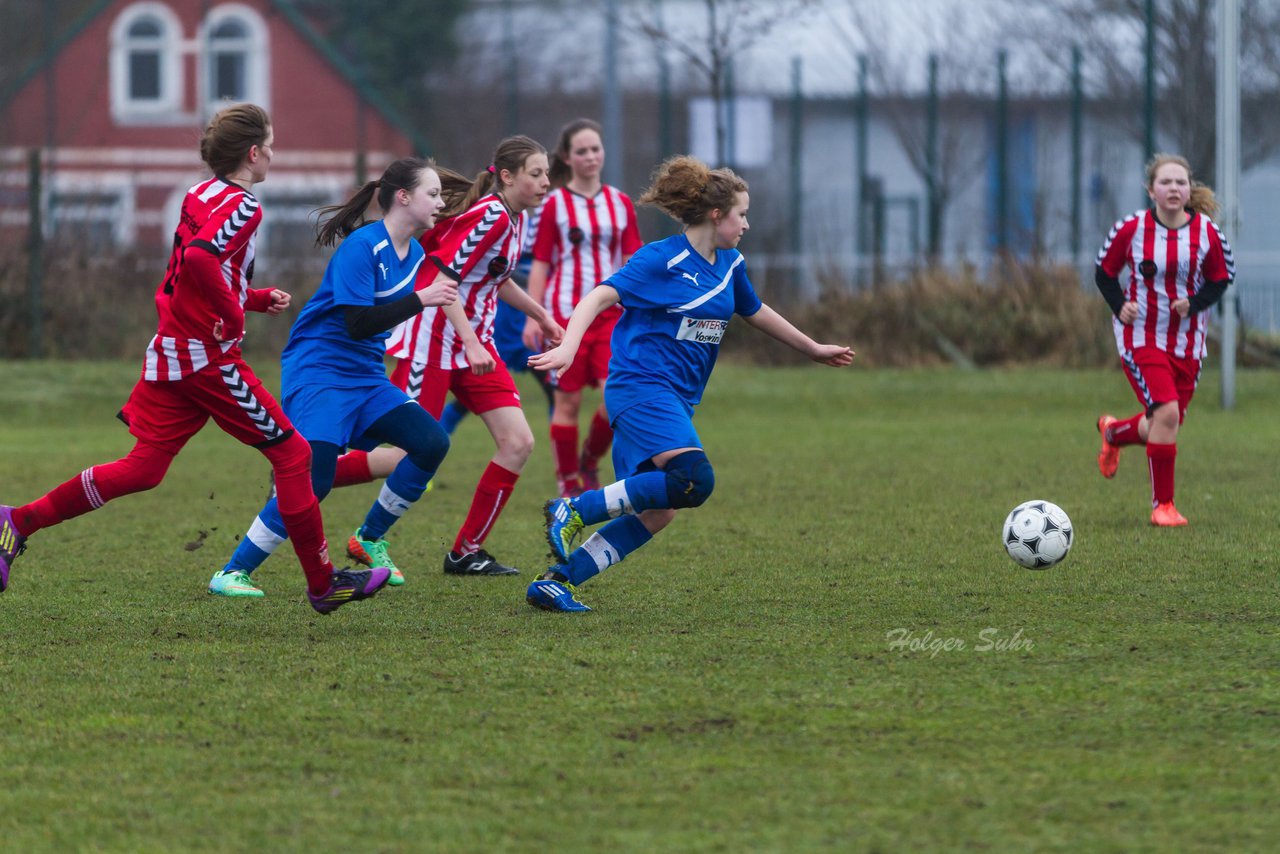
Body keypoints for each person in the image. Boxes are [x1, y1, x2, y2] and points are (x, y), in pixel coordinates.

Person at [0, 104, 389, 613]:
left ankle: (18, 520)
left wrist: (251, 297)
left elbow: (195, 266)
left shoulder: (198, 192)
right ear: (253, 153)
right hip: (206, 359)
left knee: (143, 468)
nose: (273, 153)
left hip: (170, 351)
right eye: (270, 145)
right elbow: (204, 259)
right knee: (294, 456)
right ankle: (323, 583)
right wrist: (232, 312)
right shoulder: (246, 207)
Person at [526, 155, 855, 612]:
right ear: (717, 215)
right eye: (741, 214)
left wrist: (813, 348)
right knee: (694, 480)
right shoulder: (663, 259)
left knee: (659, 511)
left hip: (675, 400)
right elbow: (601, 295)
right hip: (640, 387)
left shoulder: (730, 265)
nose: (746, 223)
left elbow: (755, 311)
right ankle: (574, 509)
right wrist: (569, 347)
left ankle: (557, 581)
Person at [207, 157, 459, 596]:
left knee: (432, 442)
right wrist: (422, 299)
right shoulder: (363, 246)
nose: (440, 202)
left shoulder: (414, 252)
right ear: (403, 198)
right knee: (315, 479)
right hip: (319, 369)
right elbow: (357, 323)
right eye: (432, 194)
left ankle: (369, 537)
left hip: (366, 375)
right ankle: (232, 572)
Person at [332, 136, 563, 576]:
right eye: (536, 173)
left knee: (518, 444)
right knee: (406, 455)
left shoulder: (517, 219)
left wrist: (541, 316)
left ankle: (466, 551)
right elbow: (441, 275)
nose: (545, 182)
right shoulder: (491, 216)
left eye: (547, 173)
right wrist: (471, 341)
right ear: (508, 176)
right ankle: (311, 479)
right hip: (433, 343)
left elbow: (495, 277)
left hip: (473, 345)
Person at [1094, 153, 1234, 527]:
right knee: (1167, 414)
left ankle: (1112, 432)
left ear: (1189, 189)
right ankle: (1164, 507)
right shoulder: (1132, 229)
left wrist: (1194, 303)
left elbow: (1222, 278)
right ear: (1151, 190)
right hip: (1141, 337)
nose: (1174, 188)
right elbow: (1104, 273)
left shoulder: (1207, 232)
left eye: (1181, 182)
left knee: (1162, 422)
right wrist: (1120, 304)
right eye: (1166, 182)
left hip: (1187, 344)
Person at [522, 118, 643, 498]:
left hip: (611, 316)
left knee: (616, 396)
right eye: (582, 151)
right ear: (567, 158)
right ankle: (567, 483)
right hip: (564, 315)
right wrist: (533, 314)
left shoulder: (620, 202)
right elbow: (541, 262)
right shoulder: (553, 204)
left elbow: (633, 260)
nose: (591, 157)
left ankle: (589, 460)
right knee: (567, 401)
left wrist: (642, 308)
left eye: (596, 149)